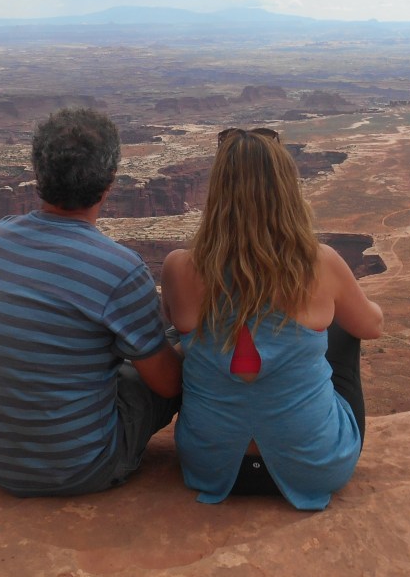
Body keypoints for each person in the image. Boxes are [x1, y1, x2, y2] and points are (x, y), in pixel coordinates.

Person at [0, 107, 183, 496]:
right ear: (109, 183)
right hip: (79, 468)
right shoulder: (120, 269)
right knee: (180, 352)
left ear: (38, 175)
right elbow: (167, 385)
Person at [161, 127, 383, 510]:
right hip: (314, 466)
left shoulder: (179, 267)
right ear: (286, 190)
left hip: (209, 464)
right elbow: (372, 325)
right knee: (343, 333)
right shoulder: (321, 263)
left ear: (217, 192)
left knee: (195, 339)